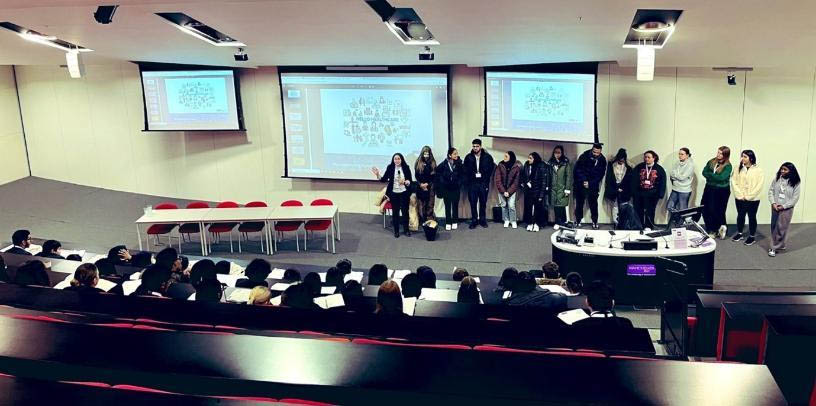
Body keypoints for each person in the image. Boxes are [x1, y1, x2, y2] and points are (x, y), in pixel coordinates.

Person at [372, 153, 413, 238]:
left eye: (398, 159)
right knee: (395, 213)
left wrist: (405, 182)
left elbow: (410, 181)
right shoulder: (390, 167)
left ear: (401, 159)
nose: (397, 160)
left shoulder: (406, 167)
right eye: (395, 159)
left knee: (405, 212)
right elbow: (384, 179)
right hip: (394, 193)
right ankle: (396, 231)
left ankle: (406, 230)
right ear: (393, 160)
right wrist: (377, 174)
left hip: (404, 192)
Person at [729, 150, 765, 246]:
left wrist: (749, 196)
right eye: (742, 156)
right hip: (740, 198)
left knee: (752, 217)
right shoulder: (738, 168)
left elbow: (759, 185)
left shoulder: (758, 170)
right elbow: (733, 181)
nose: (742, 158)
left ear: (751, 158)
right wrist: (739, 195)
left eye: (745, 157)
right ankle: (740, 233)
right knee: (740, 215)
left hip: (753, 199)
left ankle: (752, 236)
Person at [768, 162, 801, 257]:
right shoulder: (777, 179)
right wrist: (773, 203)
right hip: (775, 207)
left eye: (785, 169)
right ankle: (780, 243)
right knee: (774, 226)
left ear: (791, 171)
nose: (782, 171)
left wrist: (784, 206)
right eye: (781, 169)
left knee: (781, 227)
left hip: (786, 208)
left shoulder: (796, 182)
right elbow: (771, 191)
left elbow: (795, 198)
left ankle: (773, 247)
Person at [463, 138, 495, 229]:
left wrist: (485, 178)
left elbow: (491, 169)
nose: (475, 148)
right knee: (473, 203)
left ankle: (482, 220)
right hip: (472, 184)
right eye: (473, 146)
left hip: (483, 183)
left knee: (483, 202)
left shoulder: (487, 157)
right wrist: (470, 179)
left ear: (480, 146)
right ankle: (474, 220)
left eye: (477, 146)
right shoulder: (468, 157)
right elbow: (465, 170)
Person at [701, 146, 732, 239]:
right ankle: (710, 228)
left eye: (720, 153)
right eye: (718, 152)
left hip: (721, 190)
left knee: (718, 210)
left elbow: (721, 178)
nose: (718, 154)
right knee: (705, 208)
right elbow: (704, 172)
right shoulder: (711, 161)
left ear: (725, 155)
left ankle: (717, 229)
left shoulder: (728, 166)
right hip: (709, 188)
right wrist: (714, 176)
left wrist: (710, 176)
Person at [573, 143, 607, 229]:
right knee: (579, 204)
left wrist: (590, 183)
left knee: (593, 205)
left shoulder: (602, 160)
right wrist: (584, 181)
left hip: (593, 186)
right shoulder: (584, 156)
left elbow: (600, 175)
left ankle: (595, 221)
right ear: (592, 149)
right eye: (594, 152)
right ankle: (578, 220)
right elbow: (577, 170)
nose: (595, 154)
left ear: (600, 152)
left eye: (597, 153)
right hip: (581, 184)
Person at [631, 150, 666, 229]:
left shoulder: (659, 169)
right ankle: (639, 226)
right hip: (639, 194)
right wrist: (633, 192)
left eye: (649, 157)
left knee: (650, 211)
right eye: (645, 157)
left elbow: (662, 182)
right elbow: (633, 180)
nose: (646, 159)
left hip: (652, 194)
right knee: (638, 211)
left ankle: (648, 227)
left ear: (654, 158)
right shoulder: (639, 167)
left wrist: (660, 194)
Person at [520, 152, 551, 232]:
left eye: (530, 158)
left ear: (535, 159)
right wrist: (526, 182)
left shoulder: (541, 166)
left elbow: (544, 182)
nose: (528, 159)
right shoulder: (526, 165)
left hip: (538, 191)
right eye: (528, 157)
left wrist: (541, 195)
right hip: (528, 191)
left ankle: (537, 224)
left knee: (538, 208)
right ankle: (530, 223)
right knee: (528, 208)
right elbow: (523, 176)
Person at [436, 147, 464, 230]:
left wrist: (459, 183)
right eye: (454, 154)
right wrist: (443, 182)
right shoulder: (443, 164)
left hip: (456, 188)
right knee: (447, 206)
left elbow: (463, 175)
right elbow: (438, 175)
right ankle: (448, 222)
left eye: (457, 153)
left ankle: (455, 221)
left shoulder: (459, 163)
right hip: (446, 188)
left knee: (455, 205)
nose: (456, 155)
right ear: (449, 155)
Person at [604, 148, 633, 227]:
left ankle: (623, 223)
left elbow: (629, 180)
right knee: (615, 206)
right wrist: (616, 188)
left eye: (623, 160)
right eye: (620, 160)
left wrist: (623, 188)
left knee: (624, 206)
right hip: (614, 188)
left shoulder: (629, 167)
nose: (621, 161)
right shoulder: (611, 165)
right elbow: (609, 178)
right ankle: (616, 222)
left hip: (624, 189)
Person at [494, 150, 521, 228]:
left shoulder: (516, 167)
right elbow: (498, 180)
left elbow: (516, 181)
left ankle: (513, 221)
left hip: (511, 190)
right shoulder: (500, 165)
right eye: (504, 156)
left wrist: (509, 191)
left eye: (506, 156)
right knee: (504, 205)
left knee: (511, 205)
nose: (504, 158)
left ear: (511, 157)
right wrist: (503, 191)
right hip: (502, 189)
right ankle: (506, 220)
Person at [548, 146, 573, 226]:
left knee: (561, 206)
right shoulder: (551, 162)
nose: (557, 154)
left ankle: (562, 222)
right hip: (553, 188)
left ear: (562, 153)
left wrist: (567, 189)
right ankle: (557, 222)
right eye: (556, 152)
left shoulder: (565, 163)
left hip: (562, 188)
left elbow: (568, 177)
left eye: (559, 152)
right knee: (555, 206)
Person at [414, 145, 437, 224]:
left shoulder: (433, 163)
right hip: (420, 186)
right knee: (421, 205)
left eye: (428, 154)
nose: (426, 156)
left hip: (430, 186)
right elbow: (416, 176)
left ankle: (430, 220)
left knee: (430, 204)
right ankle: (422, 219)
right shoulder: (418, 162)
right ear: (422, 154)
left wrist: (427, 184)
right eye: (425, 154)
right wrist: (421, 184)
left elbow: (434, 176)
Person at [668, 148, 695, 214]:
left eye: (682, 154)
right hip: (675, 188)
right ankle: (676, 222)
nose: (680, 156)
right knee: (670, 206)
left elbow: (682, 177)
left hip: (684, 190)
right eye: (679, 154)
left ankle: (682, 223)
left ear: (687, 155)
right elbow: (671, 174)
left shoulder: (690, 165)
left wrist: (676, 176)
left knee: (682, 210)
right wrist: (678, 176)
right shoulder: (677, 163)